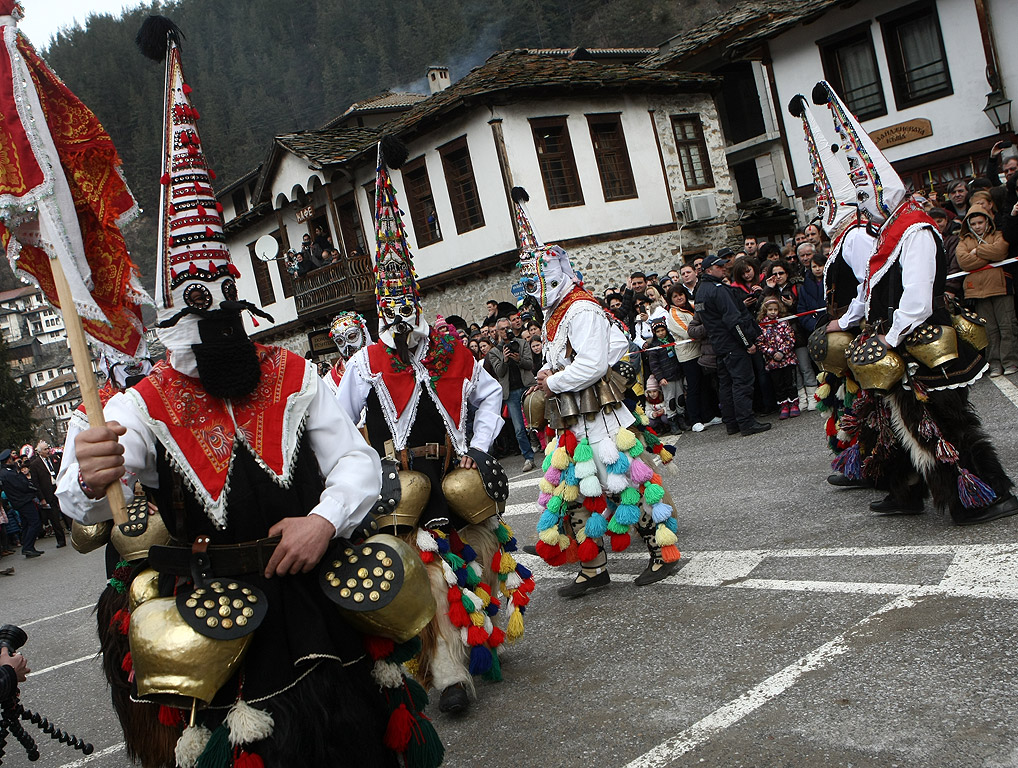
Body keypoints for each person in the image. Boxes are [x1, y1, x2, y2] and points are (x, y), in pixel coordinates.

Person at [57, 23, 427, 767]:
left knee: (358, 741)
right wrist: (90, 474)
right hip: (219, 613)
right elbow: (86, 499)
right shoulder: (136, 406)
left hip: (319, 595)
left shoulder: (295, 375)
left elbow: (356, 464)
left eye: (231, 319)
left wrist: (323, 521)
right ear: (174, 328)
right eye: (207, 324)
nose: (227, 340)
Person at [337, 138, 530, 716]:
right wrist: (360, 464)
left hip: (451, 472)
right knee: (422, 572)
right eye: (389, 314)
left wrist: (476, 444)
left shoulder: (452, 352)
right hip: (397, 487)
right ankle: (445, 672)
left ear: (418, 305)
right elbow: (336, 422)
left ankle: (478, 638)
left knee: (477, 549)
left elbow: (492, 395)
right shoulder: (365, 361)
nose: (400, 327)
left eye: (406, 313)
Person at [813, 79, 1017, 525]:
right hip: (899, 342)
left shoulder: (916, 229)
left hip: (922, 340)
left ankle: (984, 494)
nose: (864, 208)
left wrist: (888, 335)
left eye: (867, 195)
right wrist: (860, 324)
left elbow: (919, 299)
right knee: (906, 423)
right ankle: (916, 491)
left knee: (946, 423)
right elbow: (871, 292)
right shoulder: (888, 232)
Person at [511, 185, 680, 595]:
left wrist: (553, 380)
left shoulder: (581, 308)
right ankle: (593, 568)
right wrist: (555, 367)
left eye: (536, 282)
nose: (533, 291)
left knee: (624, 484)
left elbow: (595, 362)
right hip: (572, 418)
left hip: (599, 419)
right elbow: (611, 345)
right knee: (572, 491)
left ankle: (664, 554)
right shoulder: (562, 312)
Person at [693, 252, 770, 436]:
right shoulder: (718, 289)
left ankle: (732, 423)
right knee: (742, 382)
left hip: (719, 344)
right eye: (719, 267)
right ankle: (746, 422)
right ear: (709, 270)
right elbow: (732, 320)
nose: (723, 269)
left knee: (726, 384)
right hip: (732, 343)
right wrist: (746, 343)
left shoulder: (701, 291)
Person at [956, 205, 1017, 376]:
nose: (977, 226)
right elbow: (964, 262)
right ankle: (994, 363)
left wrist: (978, 251)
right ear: (968, 224)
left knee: (1007, 326)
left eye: (980, 222)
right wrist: (988, 254)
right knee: (989, 330)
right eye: (973, 223)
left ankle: (1010, 361)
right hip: (977, 291)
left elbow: (1000, 251)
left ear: (987, 221)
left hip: (1000, 286)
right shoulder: (964, 241)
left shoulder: (997, 234)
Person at [491, 315, 537, 471]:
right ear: (497, 332)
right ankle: (529, 458)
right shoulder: (494, 352)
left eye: (507, 328)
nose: (505, 331)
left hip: (527, 387)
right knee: (519, 429)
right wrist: (504, 359)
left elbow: (529, 364)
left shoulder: (522, 343)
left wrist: (518, 359)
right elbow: (499, 372)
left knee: (539, 421)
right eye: (502, 329)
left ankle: (552, 450)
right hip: (510, 393)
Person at [665, 286, 707, 431]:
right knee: (693, 387)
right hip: (688, 355)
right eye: (675, 296)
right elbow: (688, 332)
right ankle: (695, 420)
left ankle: (708, 415)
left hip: (700, 350)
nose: (679, 298)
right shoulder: (674, 314)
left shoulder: (691, 305)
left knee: (704, 386)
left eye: (681, 295)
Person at [757, 296, 799, 419]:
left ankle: (794, 403)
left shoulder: (784, 322)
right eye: (770, 310)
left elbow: (791, 338)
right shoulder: (762, 326)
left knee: (790, 383)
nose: (773, 312)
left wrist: (782, 351)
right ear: (765, 310)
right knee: (778, 385)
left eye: (775, 310)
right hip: (773, 362)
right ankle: (783, 405)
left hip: (787, 359)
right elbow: (760, 343)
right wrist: (772, 353)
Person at [644, 316, 685, 430]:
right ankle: (673, 421)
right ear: (654, 333)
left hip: (677, 373)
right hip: (666, 377)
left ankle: (682, 418)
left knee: (680, 398)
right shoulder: (654, 346)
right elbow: (654, 365)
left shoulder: (671, 340)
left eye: (663, 330)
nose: (661, 333)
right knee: (670, 400)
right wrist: (660, 377)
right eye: (658, 331)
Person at [0, 449, 43, 557]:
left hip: (19, 501)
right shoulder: (9, 473)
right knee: (35, 522)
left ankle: (28, 547)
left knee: (26, 524)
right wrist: (32, 489)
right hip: (23, 500)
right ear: (8, 460)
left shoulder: (6, 472)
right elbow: (22, 485)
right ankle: (28, 547)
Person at [26, 441, 66, 548]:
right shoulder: (35, 465)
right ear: (39, 452)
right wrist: (42, 498)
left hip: (59, 488)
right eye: (45, 449)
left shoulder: (55, 458)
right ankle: (61, 539)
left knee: (67, 511)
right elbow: (36, 483)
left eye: (48, 448)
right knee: (54, 517)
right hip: (47, 492)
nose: (48, 451)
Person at [322, 311, 371, 394]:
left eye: (352, 337)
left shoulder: (386, 357)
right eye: (340, 341)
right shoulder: (330, 382)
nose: (347, 345)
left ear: (363, 333)